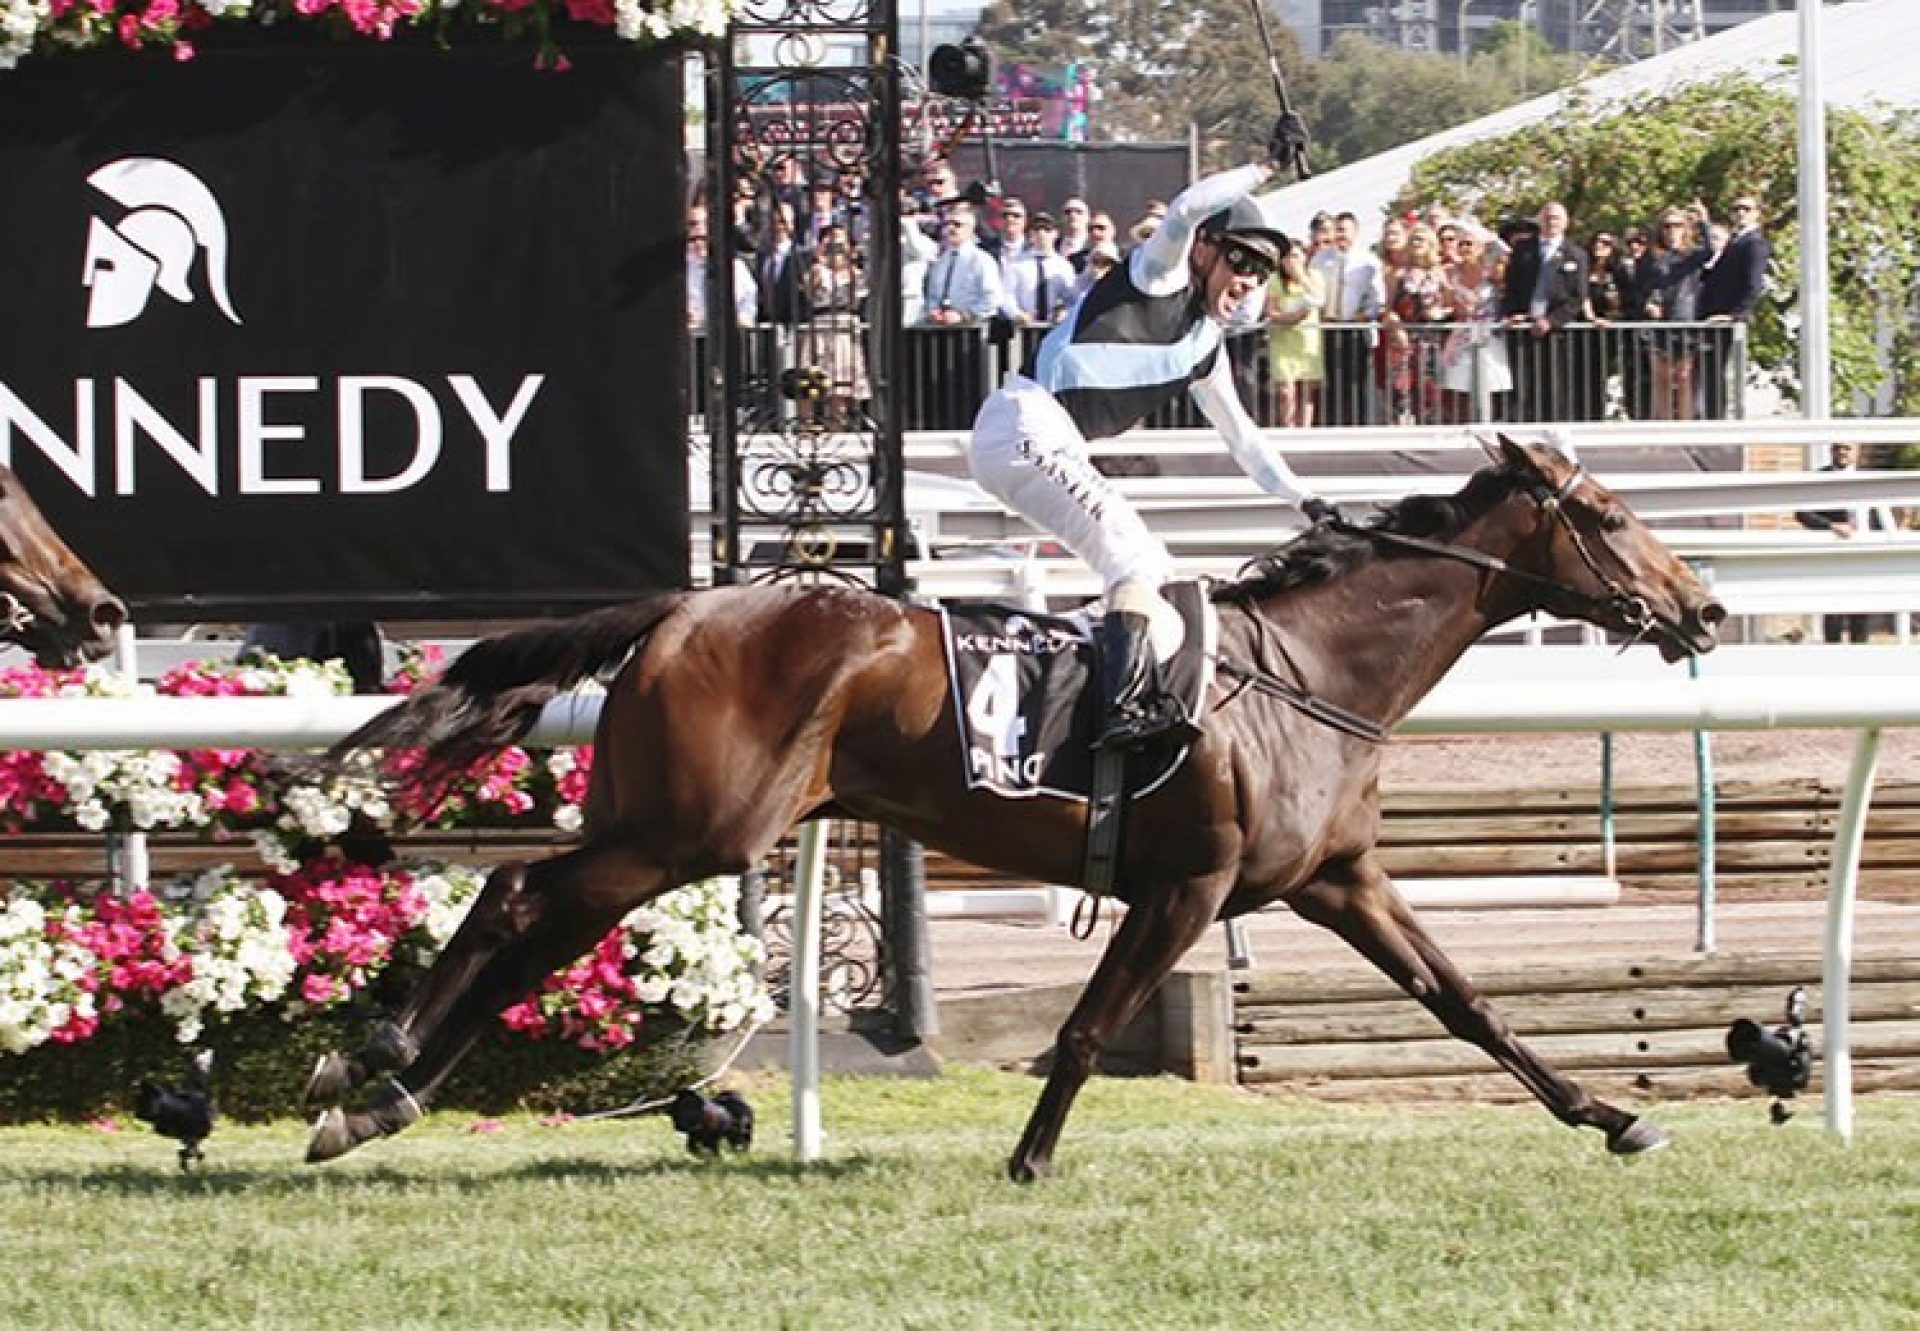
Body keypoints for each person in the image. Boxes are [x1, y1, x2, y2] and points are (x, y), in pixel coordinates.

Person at [966, 114, 1327, 751]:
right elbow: (1188, 206)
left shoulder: (1207, 351)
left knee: (1151, 570)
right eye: (1239, 258)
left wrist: (1306, 501)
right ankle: (1118, 712)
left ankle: (1075, 686)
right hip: (1026, 424)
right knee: (1133, 558)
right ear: (1206, 251)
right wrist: (1264, 166)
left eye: (1261, 271)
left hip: (1040, 441)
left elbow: (1246, 443)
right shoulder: (1157, 275)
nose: (1246, 279)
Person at [1795, 442, 1897, 643]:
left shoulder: (1869, 479)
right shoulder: (1819, 478)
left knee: (1862, 611)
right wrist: (1831, 526)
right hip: (1834, 554)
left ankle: (1859, 658)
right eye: (1837, 447)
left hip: (1865, 554)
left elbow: (1882, 515)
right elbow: (1802, 513)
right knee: (1834, 612)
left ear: (1857, 451)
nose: (1841, 452)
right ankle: (1833, 661)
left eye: (1847, 448)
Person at [1500, 201, 1588, 422]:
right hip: (1523, 329)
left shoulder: (1576, 254)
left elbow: (1578, 297)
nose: (1551, 222)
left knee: (1554, 387)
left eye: (1556, 218)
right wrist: (1514, 314)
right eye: (1547, 218)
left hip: (1556, 333)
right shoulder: (1523, 250)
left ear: (1566, 223)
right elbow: (1511, 287)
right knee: (1522, 386)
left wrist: (1551, 321)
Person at [1698, 193, 1770, 419]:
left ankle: (1716, 422)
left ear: (1757, 213)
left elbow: (1753, 283)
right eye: (1736, 208)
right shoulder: (1737, 241)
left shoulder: (1754, 244)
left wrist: (1737, 314)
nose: (1740, 213)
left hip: (1724, 318)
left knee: (1715, 372)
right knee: (1708, 371)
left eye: (1746, 209)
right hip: (1711, 316)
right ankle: (1711, 418)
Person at [1264, 242, 1324, 427]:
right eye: (1288, 257)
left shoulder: (1315, 276)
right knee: (1286, 390)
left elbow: (1320, 299)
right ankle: (1288, 428)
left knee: (1306, 390)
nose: (1292, 261)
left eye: (1296, 256)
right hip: (1282, 340)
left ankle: (1305, 429)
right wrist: (1289, 318)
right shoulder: (1275, 280)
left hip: (1307, 342)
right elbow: (1271, 312)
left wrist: (1301, 277)